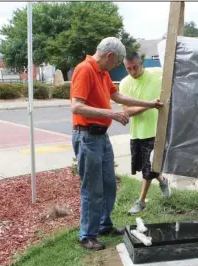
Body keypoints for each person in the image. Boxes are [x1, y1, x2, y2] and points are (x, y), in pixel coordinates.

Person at [70, 37, 163, 251]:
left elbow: (118, 96)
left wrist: (149, 103)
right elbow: (77, 107)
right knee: (92, 188)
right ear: (109, 56)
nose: (116, 67)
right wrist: (111, 114)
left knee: (109, 184)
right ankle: (87, 235)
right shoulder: (85, 70)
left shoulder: (102, 73)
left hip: (101, 138)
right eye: (116, 63)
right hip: (87, 137)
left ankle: (104, 225)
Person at [119, 52, 171, 215]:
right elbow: (127, 111)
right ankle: (163, 181)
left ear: (141, 63)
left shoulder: (157, 73)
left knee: (148, 168)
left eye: (135, 67)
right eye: (129, 68)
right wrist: (150, 105)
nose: (133, 71)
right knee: (144, 167)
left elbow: (174, 71)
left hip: (156, 130)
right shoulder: (124, 84)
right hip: (137, 133)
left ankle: (141, 201)